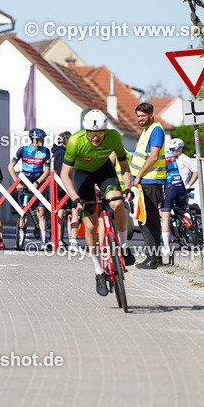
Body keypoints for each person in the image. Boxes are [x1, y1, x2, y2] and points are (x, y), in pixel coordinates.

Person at [60, 109, 135, 297]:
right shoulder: (76, 141)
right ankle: (98, 271)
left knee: (117, 204)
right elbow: (64, 175)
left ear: (106, 131)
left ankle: (124, 249)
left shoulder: (114, 137)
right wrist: (75, 198)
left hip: (104, 171)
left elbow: (124, 166)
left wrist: (127, 188)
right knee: (91, 226)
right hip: (82, 175)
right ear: (85, 131)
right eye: (91, 134)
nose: (95, 137)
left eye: (100, 133)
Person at [129, 102, 166, 268]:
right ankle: (155, 257)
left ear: (152, 114)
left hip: (150, 181)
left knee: (148, 221)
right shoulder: (146, 131)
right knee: (149, 220)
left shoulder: (155, 130)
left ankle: (152, 258)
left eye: (143, 116)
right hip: (146, 181)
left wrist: (139, 176)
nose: (140, 119)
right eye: (138, 116)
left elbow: (153, 157)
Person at [8, 128, 51, 249]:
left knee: (41, 213)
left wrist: (37, 182)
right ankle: (20, 242)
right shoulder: (23, 150)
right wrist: (17, 182)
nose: (43, 141)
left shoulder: (46, 151)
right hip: (25, 180)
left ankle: (43, 242)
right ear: (34, 139)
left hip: (39, 180)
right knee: (22, 212)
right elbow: (10, 166)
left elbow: (47, 171)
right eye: (41, 139)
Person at [159, 138, 191, 260]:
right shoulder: (172, 156)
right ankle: (191, 229)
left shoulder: (161, 155)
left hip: (171, 186)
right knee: (182, 211)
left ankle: (166, 246)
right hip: (180, 185)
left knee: (165, 216)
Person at [51, 131, 79, 249]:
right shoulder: (61, 153)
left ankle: (64, 241)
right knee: (68, 212)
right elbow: (61, 171)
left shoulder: (58, 152)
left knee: (68, 213)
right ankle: (64, 241)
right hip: (63, 187)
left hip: (61, 186)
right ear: (66, 141)